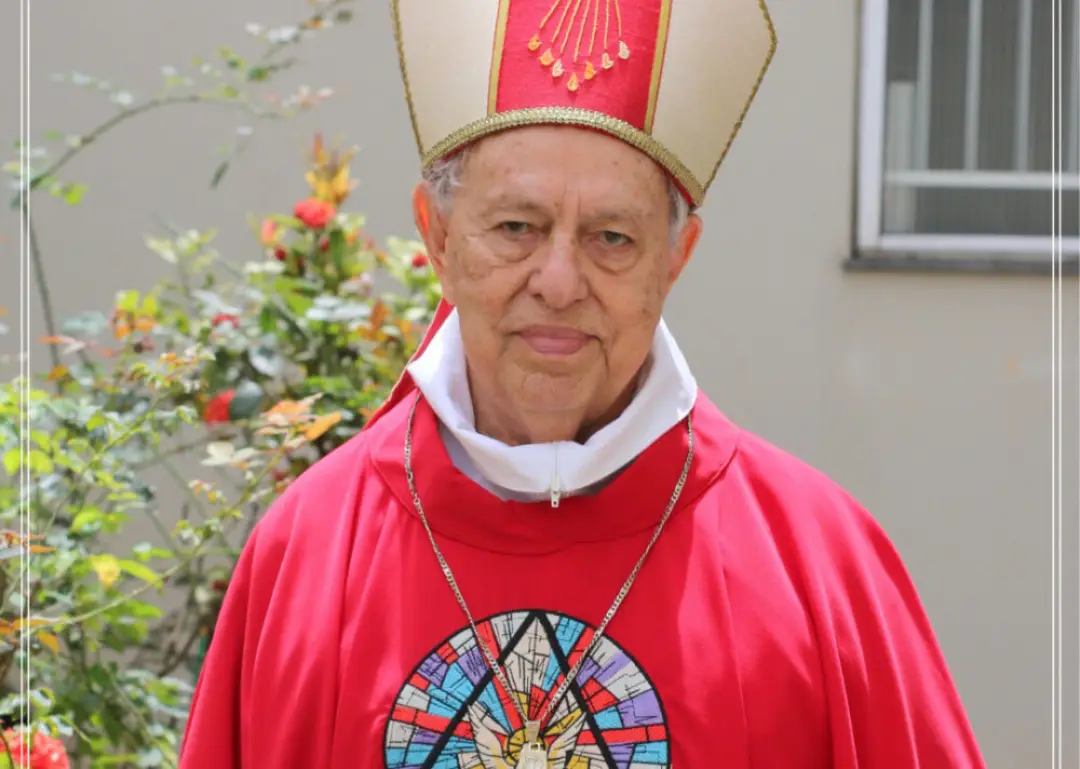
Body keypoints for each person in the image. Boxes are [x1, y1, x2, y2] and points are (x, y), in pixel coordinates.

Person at [178, 0, 988, 767]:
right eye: (517, 227)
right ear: (438, 236)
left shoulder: (821, 568)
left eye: (612, 237)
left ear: (675, 259)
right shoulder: (307, 554)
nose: (560, 282)